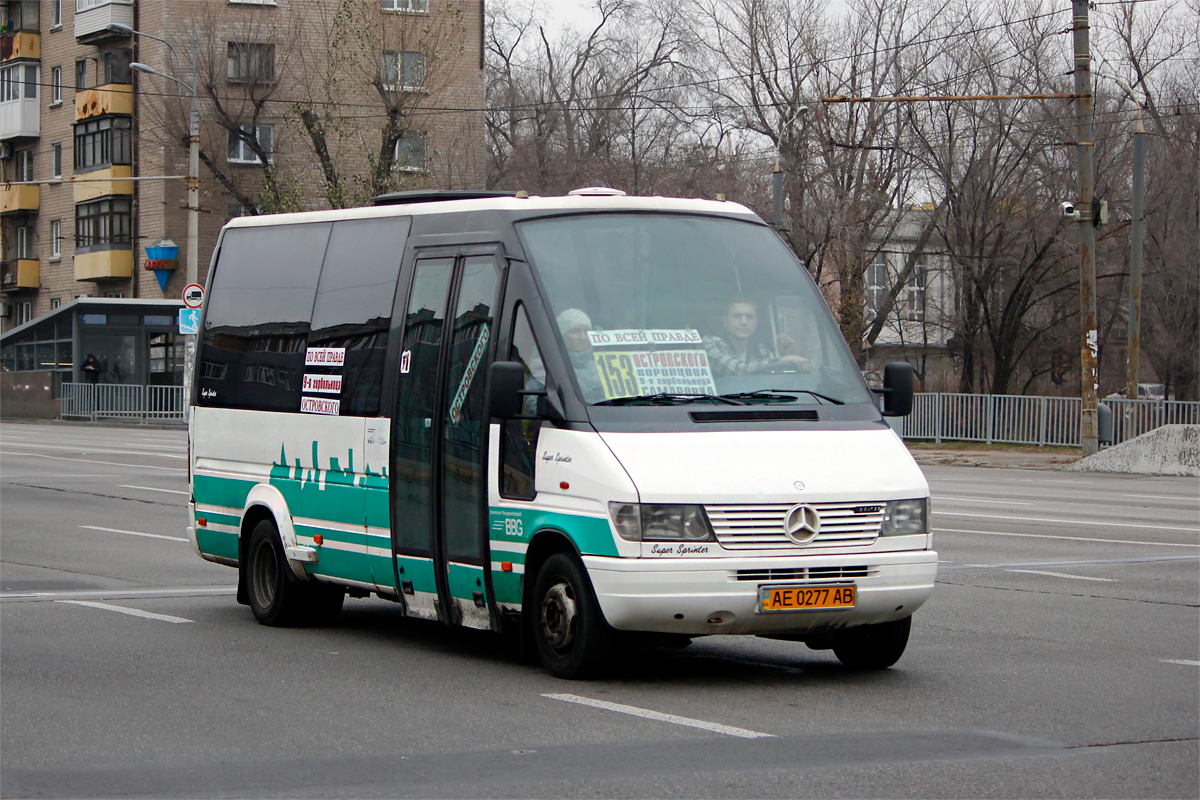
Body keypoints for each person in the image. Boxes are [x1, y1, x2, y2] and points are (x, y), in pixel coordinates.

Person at [702, 296, 808, 378]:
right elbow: (738, 371)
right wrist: (781, 360)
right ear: (725, 321)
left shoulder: (761, 351)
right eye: (737, 316)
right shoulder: (710, 343)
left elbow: (774, 381)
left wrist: (786, 357)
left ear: (756, 322)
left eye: (749, 316)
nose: (744, 322)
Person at [556, 308, 606, 402]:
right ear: (562, 335)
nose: (582, 337)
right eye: (575, 331)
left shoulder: (602, 367)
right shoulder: (546, 367)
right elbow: (535, 403)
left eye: (586, 332)